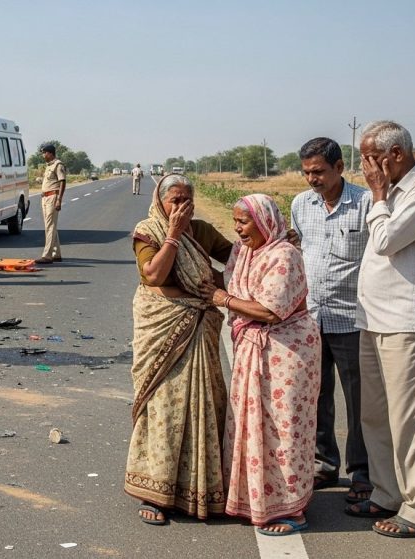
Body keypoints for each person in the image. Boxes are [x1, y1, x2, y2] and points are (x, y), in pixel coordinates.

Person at [349, 121, 415, 538]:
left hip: (405, 319)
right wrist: (380, 195)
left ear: (395, 155)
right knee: (376, 414)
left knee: (410, 418)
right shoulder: (390, 192)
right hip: (372, 317)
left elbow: (387, 239)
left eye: (369, 158)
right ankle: (387, 493)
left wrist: (376, 195)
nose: (365, 167)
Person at [208, 193, 320, 536]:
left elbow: (272, 310)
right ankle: (256, 500)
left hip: (287, 353)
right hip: (254, 349)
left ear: (265, 221)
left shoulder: (284, 255)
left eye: (244, 222)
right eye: (236, 221)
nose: (238, 229)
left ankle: (292, 509)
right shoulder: (245, 253)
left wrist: (224, 300)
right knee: (251, 424)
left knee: (284, 430)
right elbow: (227, 281)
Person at [125, 174, 232, 525]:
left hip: (198, 329)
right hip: (162, 328)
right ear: (159, 201)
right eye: (175, 200)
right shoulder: (149, 231)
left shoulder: (201, 231)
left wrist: (273, 240)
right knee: (163, 408)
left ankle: (204, 489)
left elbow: (239, 258)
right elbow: (153, 275)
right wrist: (173, 234)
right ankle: (155, 493)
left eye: (187, 199)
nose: (182, 207)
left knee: (205, 404)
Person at [290, 138, 372, 503]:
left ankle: (363, 473)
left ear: (339, 168)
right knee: (316, 394)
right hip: (311, 317)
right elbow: (298, 249)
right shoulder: (300, 204)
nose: (312, 179)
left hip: (352, 317)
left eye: (319, 171)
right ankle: (324, 464)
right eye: (307, 172)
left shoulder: (366, 203)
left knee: (359, 400)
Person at [36, 144, 65, 264]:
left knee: (50, 226)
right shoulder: (49, 166)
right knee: (51, 226)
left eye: (45, 153)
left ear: (51, 153)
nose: (43, 155)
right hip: (45, 197)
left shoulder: (58, 165)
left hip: (53, 197)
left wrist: (59, 199)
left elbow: (62, 181)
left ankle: (47, 255)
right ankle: (56, 253)